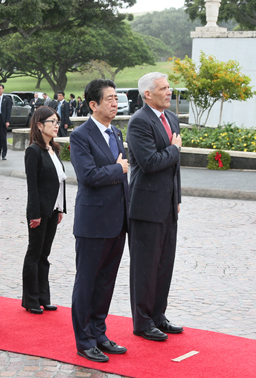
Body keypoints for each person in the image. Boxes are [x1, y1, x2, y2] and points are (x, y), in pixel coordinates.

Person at [69, 79, 130, 363]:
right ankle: (84, 340)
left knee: (106, 282)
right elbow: (88, 176)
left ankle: (99, 332)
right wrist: (117, 169)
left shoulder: (116, 133)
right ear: (93, 104)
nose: (115, 103)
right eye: (109, 99)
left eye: (116, 98)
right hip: (93, 222)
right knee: (87, 281)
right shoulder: (81, 136)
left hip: (117, 221)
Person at [126, 72, 183, 342]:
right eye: (163, 88)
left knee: (164, 265)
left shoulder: (171, 118)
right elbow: (149, 162)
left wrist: (178, 197)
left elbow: (174, 167)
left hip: (168, 205)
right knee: (145, 267)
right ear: (148, 94)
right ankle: (142, 321)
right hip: (146, 206)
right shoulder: (139, 122)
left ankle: (158, 315)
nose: (169, 91)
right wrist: (174, 149)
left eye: (169, 87)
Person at [22, 106, 66, 314]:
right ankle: (30, 300)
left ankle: (43, 296)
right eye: (52, 122)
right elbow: (33, 186)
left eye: (58, 122)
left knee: (44, 254)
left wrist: (60, 208)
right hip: (39, 212)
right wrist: (35, 214)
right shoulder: (33, 151)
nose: (57, 125)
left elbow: (59, 181)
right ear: (40, 125)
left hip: (53, 209)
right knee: (34, 253)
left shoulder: (54, 149)